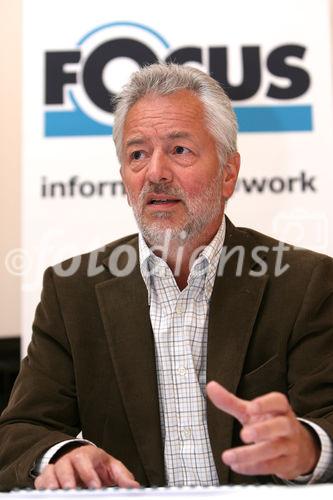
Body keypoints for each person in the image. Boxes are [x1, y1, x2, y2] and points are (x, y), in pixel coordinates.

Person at [0, 63, 333, 491]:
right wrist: (61, 454)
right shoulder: (72, 292)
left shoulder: (304, 282)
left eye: (179, 150)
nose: (155, 172)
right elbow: (19, 430)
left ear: (228, 173)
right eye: (137, 154)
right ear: (123, 176)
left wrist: (308, 447)